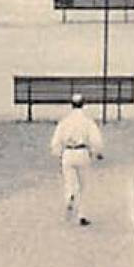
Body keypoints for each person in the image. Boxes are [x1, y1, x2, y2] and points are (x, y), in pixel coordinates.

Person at [49, 93, 102, 227]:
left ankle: (69, 197)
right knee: (84, 185)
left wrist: (58, 153)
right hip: (82, 152)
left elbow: (56, 140)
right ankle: (82, 214)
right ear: (83, 104)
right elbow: (95, 139)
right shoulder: (87, 121)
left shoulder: (64, 122)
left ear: (71, 105)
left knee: (69, 181)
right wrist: (97, 152)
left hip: (68, 152)